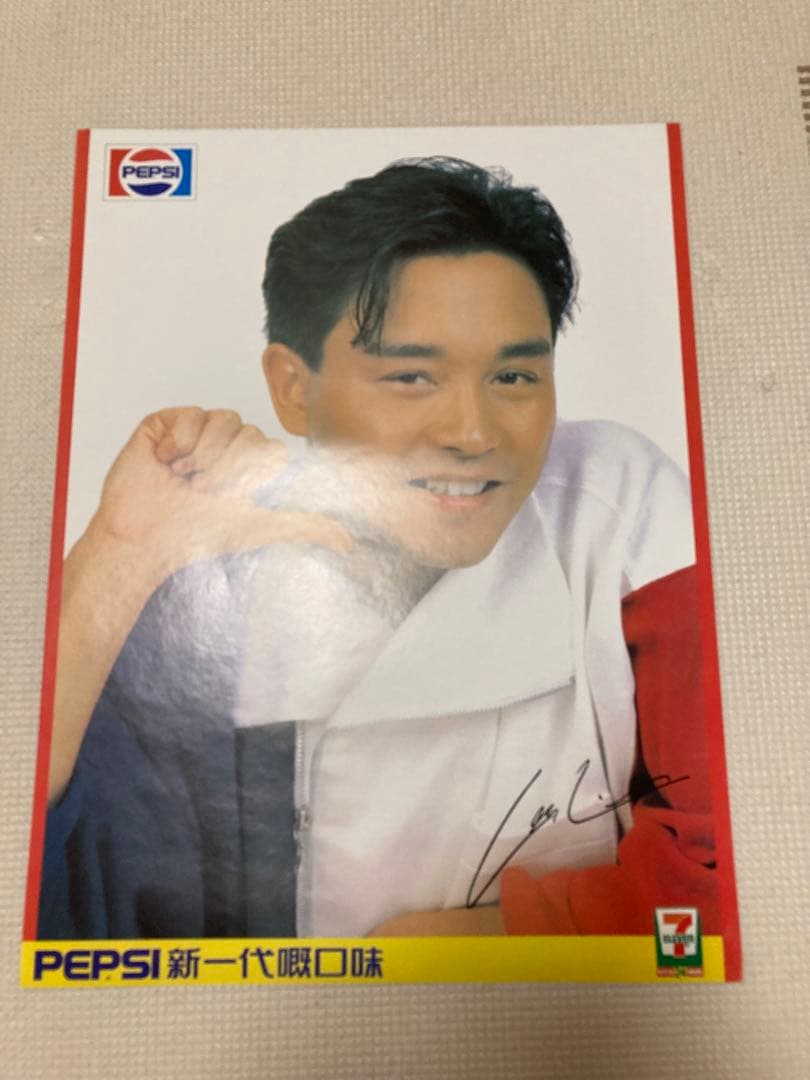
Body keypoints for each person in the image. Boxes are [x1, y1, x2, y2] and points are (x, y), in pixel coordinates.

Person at [39, 157, 719, 940]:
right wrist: (117, 555)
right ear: (293, 387)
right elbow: (59, 918)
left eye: (514, 376)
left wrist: (437, 950)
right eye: (411, 378)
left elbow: (737, 870)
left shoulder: (621, 509)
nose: (472, 433)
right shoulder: (193, 594)